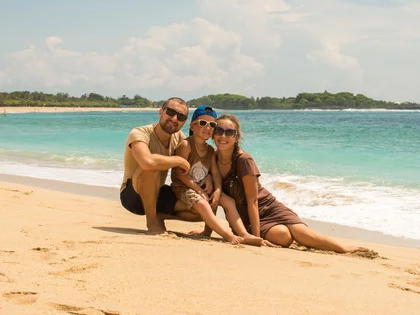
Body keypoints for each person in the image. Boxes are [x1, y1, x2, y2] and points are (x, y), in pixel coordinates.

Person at [213, 113, 362, 253]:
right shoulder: (211, 159)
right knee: (283, 237)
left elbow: (253, 201)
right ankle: (285, 235)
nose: (223, 136)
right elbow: (213, 197)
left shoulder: (244, 160)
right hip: (243, 218)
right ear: (213, 134)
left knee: (306, 235)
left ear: (236, 138)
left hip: (267, 208)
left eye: (229, 132)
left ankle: (344, 248)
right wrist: (207, 231)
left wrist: (256, 238)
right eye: (219, 131)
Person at [171, 106, 269, 246]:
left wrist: (217, 190)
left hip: (200, 187)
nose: (207, 127)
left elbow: (215, 173)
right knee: (203, 203)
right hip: (183, 188)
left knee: (228, 201)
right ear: (192, 126)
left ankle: (244, 234)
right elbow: (181, 176)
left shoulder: (210, 150)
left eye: (212, 125)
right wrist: (199, 191)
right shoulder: (186, 145)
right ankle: (227, 235)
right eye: (203, 123)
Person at [120, 97, 199, 235]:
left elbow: (194, 162)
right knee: (151, 167)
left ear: (184, 122)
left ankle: (159, 217)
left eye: (180, 116)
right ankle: (152, 224)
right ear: (161, 112)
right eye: (170, 112)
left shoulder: (179, 138)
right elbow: (147, 162)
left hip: (158, 193)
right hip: (133, 196)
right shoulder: (140, 133)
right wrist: (178, 160)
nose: (174, 119)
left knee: (201, 209)